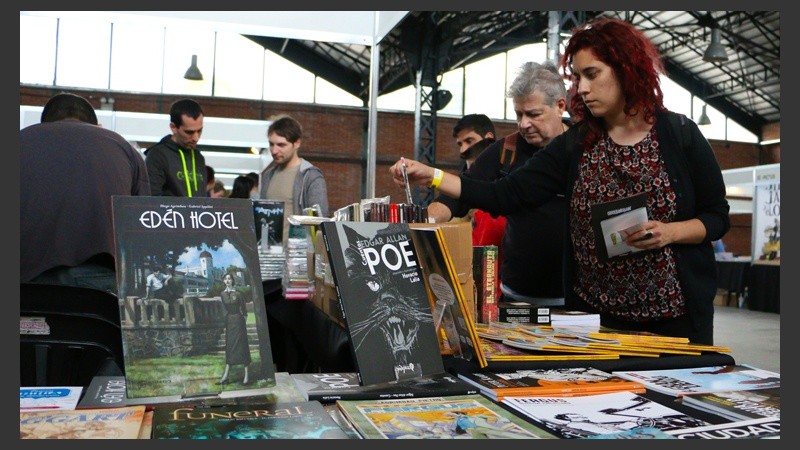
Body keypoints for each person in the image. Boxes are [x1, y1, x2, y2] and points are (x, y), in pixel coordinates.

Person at [392, 17, 730, 345]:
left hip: (675, 317)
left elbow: (716, 216)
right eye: (578, 77)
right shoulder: (577, 144)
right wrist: (432, 175)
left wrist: (670, 232)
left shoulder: (679, 134)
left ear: (626, 69)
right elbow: (504, 195)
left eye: (592, 74)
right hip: (595, 320)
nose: (580, 89)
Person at [426, 61, 569, 304]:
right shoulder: (506, 151)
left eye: (533, 114)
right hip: (517, 297)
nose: (524, 123)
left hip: (572, 301)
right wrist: (426, 221)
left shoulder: (584, 148)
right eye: (518, 114)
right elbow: (460, 193)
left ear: (560, 106)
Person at [20, 92, 151, 292]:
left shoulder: (22, 139)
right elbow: (142, 222)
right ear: (96, 124)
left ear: (44, 123)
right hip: (103, 279)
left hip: (28, 277)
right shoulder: (124, 149)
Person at [258, 114, 329, 243]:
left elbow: (321, 222)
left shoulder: (310, 176)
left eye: (281, 145)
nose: (274, 151)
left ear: (297, 143)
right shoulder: (267, 176)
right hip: (269, 255)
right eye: (271, 144)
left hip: (299, 257)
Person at [145, 98, 208, 197]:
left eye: (199, 131)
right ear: (173, 127)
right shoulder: (157, 156)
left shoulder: (199, 157)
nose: (196, 138)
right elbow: (152, 199)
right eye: (189, 132)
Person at [218, 272, 252, 385]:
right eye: (226, 279)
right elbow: (225, 305)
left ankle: (247, 375)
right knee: (230, 347)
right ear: (224, 281)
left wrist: (243, 321)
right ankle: (226, 375)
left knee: (242, 346)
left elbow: (245, 311)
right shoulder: (222, 294)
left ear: (232, 281)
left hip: (239, 321)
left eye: (229, 279)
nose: (227, 280)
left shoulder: (238, 294)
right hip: (229, 322)